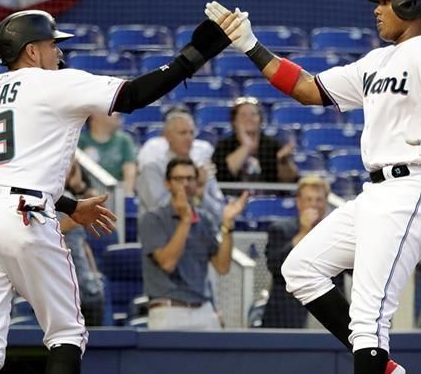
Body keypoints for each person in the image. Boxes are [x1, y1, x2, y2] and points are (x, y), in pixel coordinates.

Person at [0, 9, 231, 374]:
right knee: (66, 332)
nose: (59, 51)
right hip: (21, 215)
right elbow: (135, 95)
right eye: (53, 44)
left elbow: (6, 168)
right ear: (31, 51)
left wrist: (68, 203)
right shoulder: (50, 82)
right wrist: (197, 53)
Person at [206, 0, 421, 374]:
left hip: (414, 184)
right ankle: (381, 366)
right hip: (377, 190)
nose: (376, 7)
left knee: (370, 311)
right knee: (300, 268)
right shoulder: (376, 60)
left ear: (410, 6)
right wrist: (252, 46)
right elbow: (307, 88)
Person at [139, 158, 247, 330]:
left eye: (190, 179)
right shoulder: (154, 219)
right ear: (168, 184)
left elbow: (222, 266)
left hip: (203, 309)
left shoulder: (205, 219)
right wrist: (186, 220)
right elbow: (168, 263)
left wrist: (227, 224)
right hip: (168, 309)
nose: (185, 184)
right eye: (179, 179)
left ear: (197, 183)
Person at [261, 175, 330, 329]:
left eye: (319, 199)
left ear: (326, 202)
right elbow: (276, 266)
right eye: (309, 199)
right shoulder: (280, 230)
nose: (314, 205)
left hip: (328, 313)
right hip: (286, 316)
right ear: (299, 202)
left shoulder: (334, 233)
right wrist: (304, 231)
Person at [137, 108, 225, 223]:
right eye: (183, 133)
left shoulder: (202, 169)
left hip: (199, 236)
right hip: (162, 236)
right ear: (167, 136)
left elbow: (220, 213)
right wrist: (194, 187)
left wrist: (201, 194)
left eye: (191, 133)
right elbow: (158, 209)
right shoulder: (153, 169)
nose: (189, 138)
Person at [59, 159, 105, 327]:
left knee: (95, 346)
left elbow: (83, 244)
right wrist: (72, 219)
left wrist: (93, 275)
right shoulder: (40, 198)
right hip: (61, 285)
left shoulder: (71, 197)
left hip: (86, 285)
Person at [211, 97, 299, 183]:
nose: (249, 119)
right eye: (243, 115)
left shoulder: (273, 145)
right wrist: (246, 146)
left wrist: (283, 161)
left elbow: (289, 181)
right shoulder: (224, 145)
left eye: (253, 114)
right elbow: (221, 176)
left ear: (260, 119)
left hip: (268, 196)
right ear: (234, 121)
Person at [78, 112, 137, 195]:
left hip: (116, 196)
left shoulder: (124, 140)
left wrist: (126, 197)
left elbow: (129, 172)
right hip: (86, 197)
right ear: (94, 115)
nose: (117, 113)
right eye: (111, 110)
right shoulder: (79, 142)